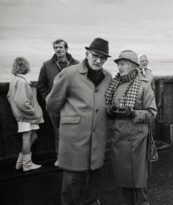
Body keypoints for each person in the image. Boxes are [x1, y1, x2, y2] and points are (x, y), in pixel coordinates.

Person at [46, 38, 112, 205]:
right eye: (95, 56)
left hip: (97, 139)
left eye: (103, 58)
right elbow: (52, 104)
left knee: (94, 183)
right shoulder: (69, 73)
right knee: (72, 185)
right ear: (87, 54)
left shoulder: (108, 77)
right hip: (74, 140)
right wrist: (70, 122)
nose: (98, 61)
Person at [105, 50, 157, 205]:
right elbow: (108, 106)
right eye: (118, 64)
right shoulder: (115, 84)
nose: (119, 67)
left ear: (133, 66)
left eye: (123, 64)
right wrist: (110, 111)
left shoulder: (144, 85)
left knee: (138, 183)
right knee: (124, 181)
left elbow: (152, 112)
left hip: (137, 141)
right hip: (118, 138)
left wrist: (132, 113)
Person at [37, 39, 79, 166]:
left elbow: (82, 84)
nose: (58, 49)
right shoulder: (46, 65)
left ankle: (73, 157)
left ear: (66, 49)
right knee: (58, 132)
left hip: (72, 105)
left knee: (73, 131)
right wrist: (48, 99)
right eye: (56, 47)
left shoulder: (77, 64)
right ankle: (60, 158)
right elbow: (41, 85)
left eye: (61, 47)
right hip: (54, 106)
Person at [7, 57, 43, 172]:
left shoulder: (14, 80)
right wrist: (32, 111)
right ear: (25, 67)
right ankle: (27, 164)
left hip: (21, 114)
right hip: (26, 115)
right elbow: (22, 101)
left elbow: (9, 97)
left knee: (33, 136)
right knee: (27, 138)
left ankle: (20, 162)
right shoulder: (22, 81)